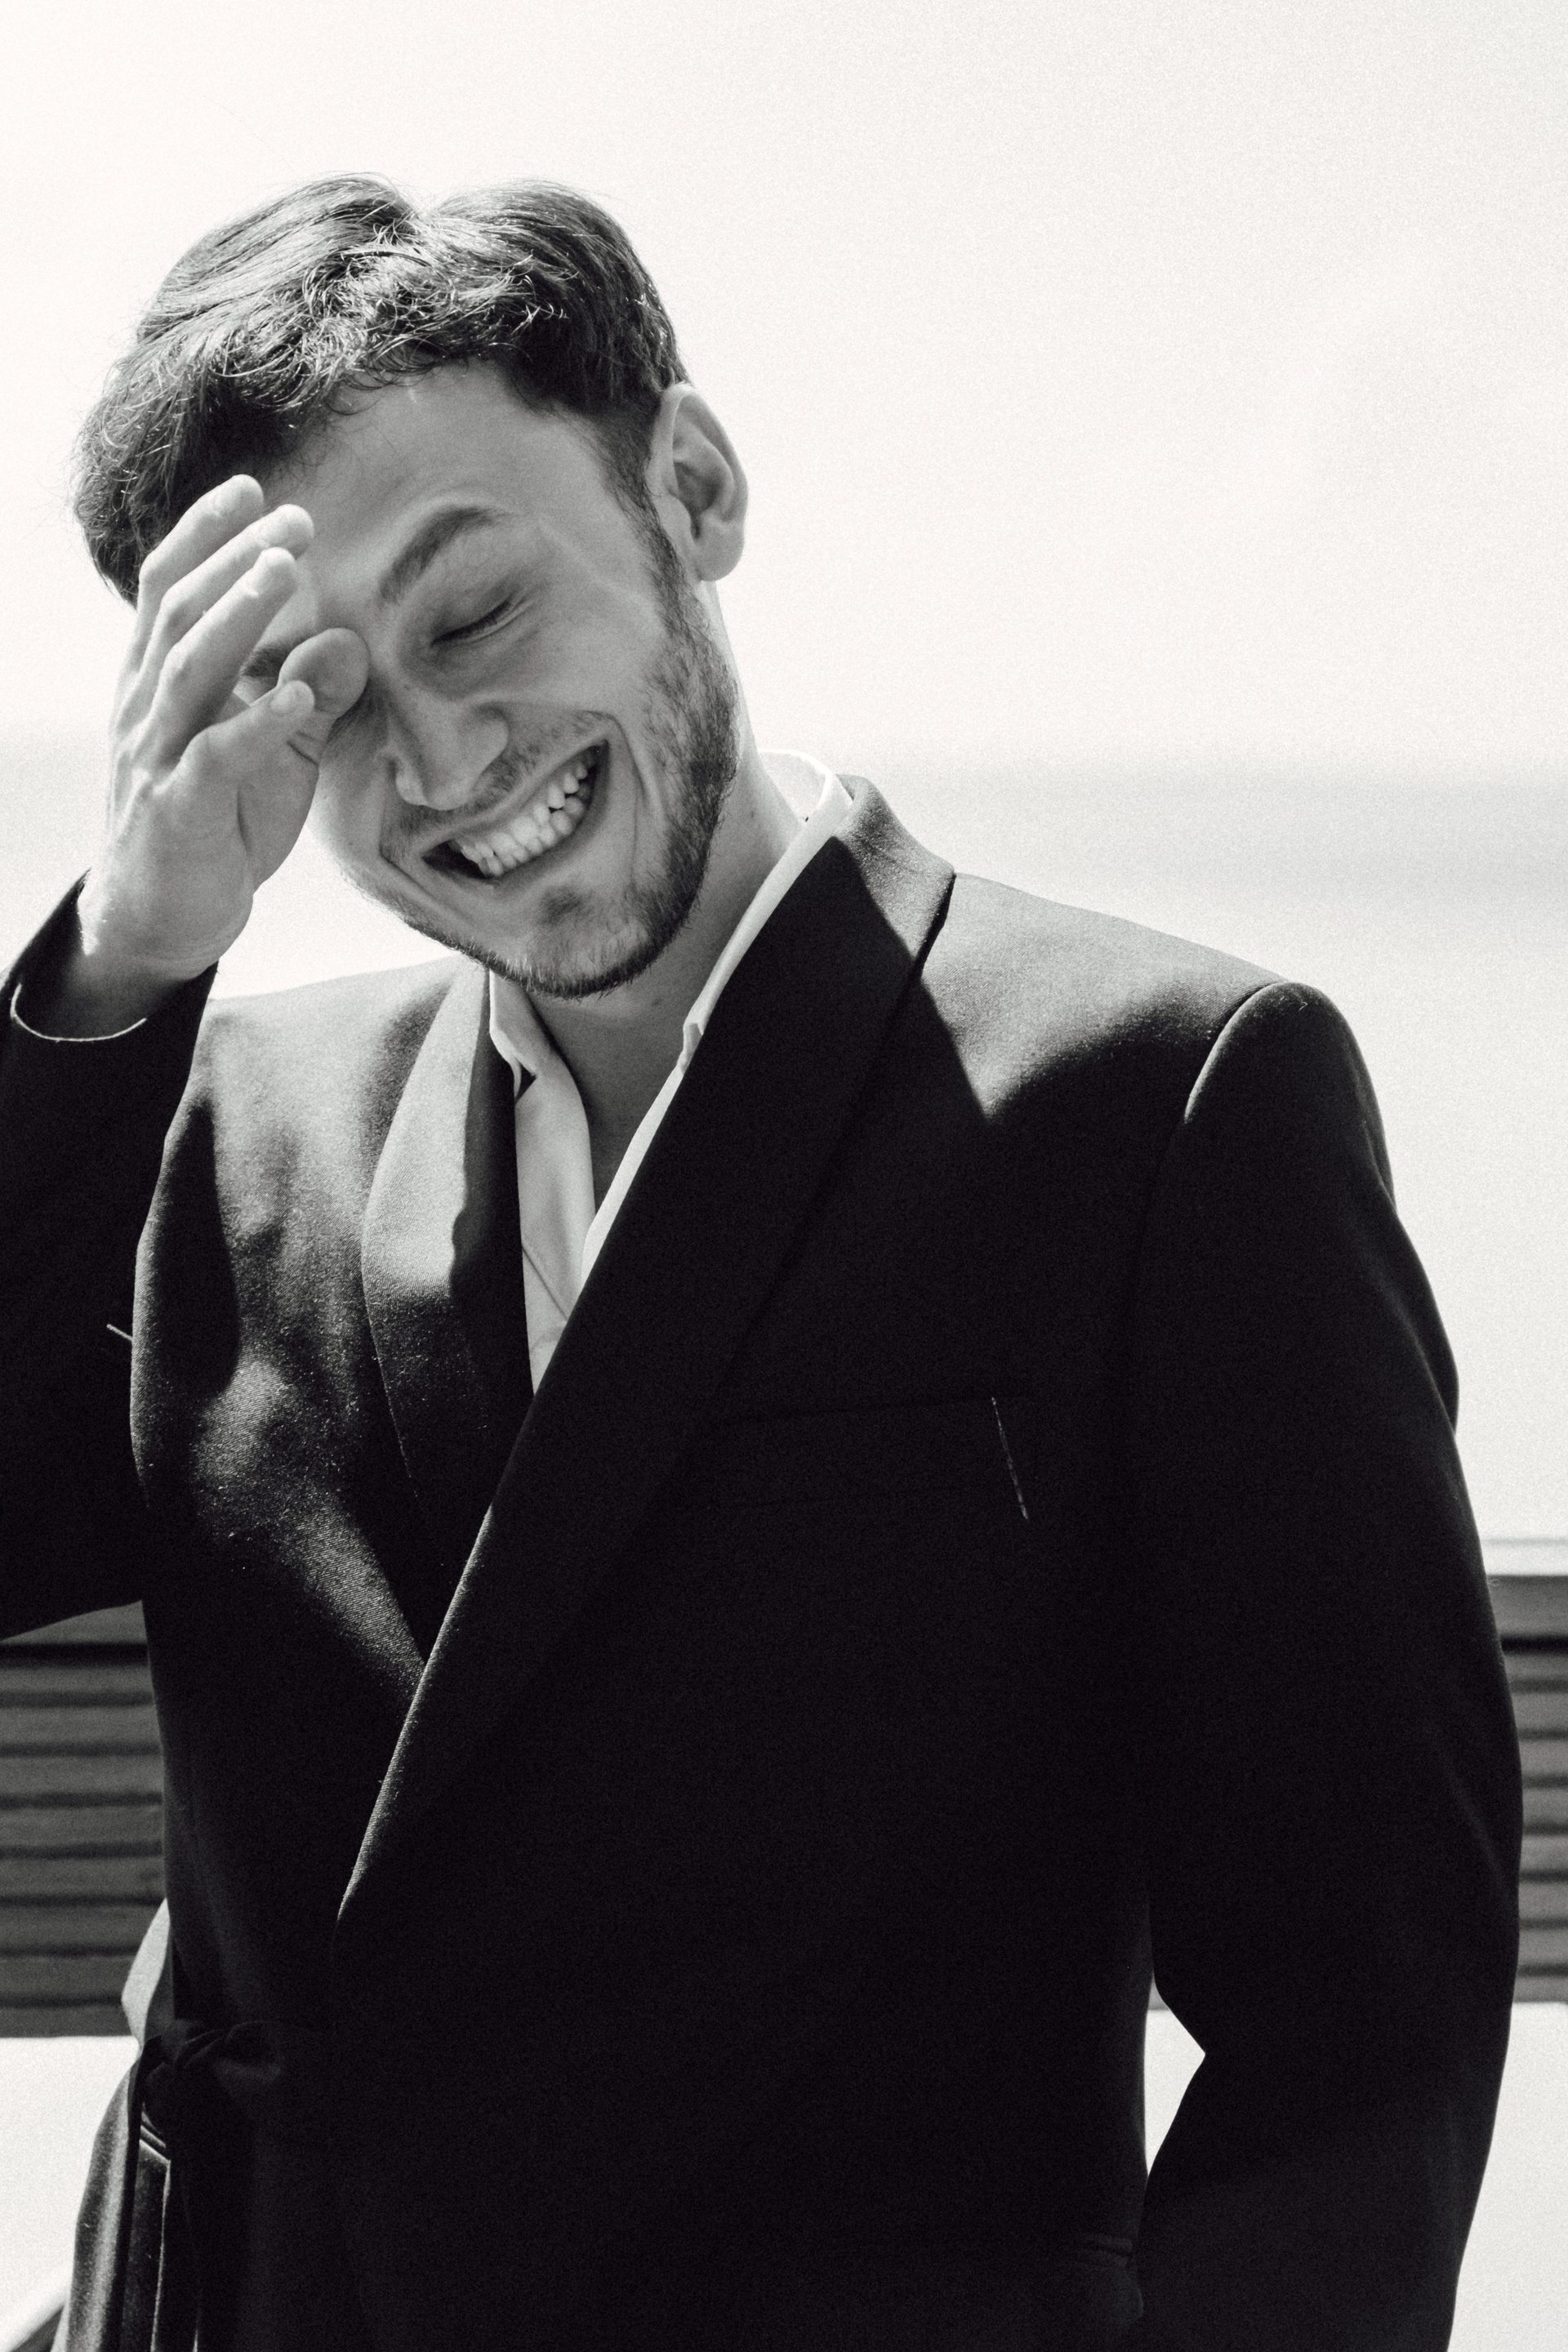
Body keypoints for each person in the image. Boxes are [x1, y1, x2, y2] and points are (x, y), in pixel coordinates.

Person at [0, 177, 1521, 2352]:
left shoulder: (1162, 1103)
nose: (441, 763)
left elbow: (1362, 2017)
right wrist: (126, 961)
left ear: (692, 491)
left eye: (473, 613)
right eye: (320, 702)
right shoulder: (227, 1118)